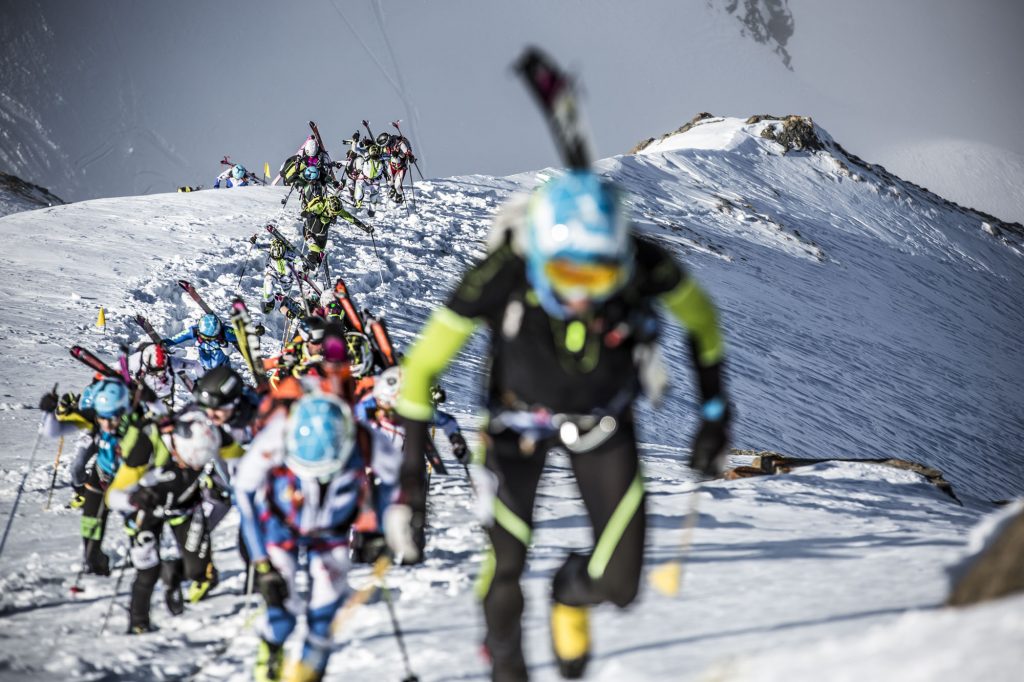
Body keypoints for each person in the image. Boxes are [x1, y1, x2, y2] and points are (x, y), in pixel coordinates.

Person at [385, 170, 731, 681]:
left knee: (620, 586)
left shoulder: (642, 263)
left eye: (597, 278)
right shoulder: (502, 271)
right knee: (504, 568)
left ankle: (569, 592)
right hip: (513, 427)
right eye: (567, 274)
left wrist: (715, 415)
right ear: (539, 257)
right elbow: (418, 373)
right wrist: (411, 489)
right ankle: (506, 665)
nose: (580, 294)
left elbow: (703, 321)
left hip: (602, 423)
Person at [234, 393, 386, 681]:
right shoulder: (275, 435)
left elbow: (395, 478)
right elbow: (242, 491)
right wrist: (261, 562)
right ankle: (269, 656)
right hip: (282, 526)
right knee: (283, 608)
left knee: (323, 617)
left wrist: (381, 528)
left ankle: (307, 674)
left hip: (333, 530)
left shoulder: (364, 439)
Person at [106, 410, 222, 633]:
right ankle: (138, 622)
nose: (193, 468)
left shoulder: (205, 436)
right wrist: (134, 499)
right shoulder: (147, 445)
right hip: (148, 510)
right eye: (188, 462)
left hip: (185, 507)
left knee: (199, 571)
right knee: (147, 569)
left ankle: (173, 574)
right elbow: (112, 497)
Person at [300, 193, 370, 272]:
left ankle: (315, 266)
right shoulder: (320, 206)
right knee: (315, 249)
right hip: (309, 231)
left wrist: (365, 228)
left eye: (337, 214)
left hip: (322, 234)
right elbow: (303, 213)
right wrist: (311, 214)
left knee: (320, 252)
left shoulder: (337, 209)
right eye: (333, 214)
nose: (334, 216)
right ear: (329, 208)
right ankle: (306, 267)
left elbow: (351, 219)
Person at [162, 313, 237, 371]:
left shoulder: (226, 332)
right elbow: (176, 339)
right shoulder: (194, 331)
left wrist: (224, 344)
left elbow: (242, 337)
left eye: (212, 338)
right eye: (205, 337)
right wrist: (164, 343)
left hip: (223, 369)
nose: (208, 340)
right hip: (205, 369)